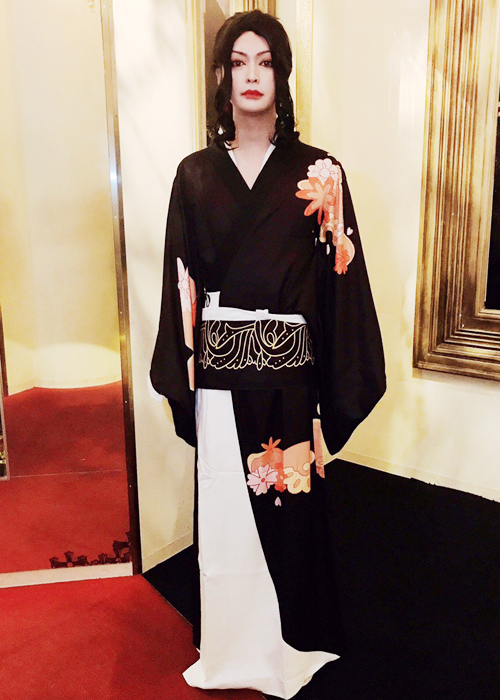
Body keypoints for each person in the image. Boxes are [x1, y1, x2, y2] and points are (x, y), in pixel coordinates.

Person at [150, 10, 385, 699]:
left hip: (289, 381)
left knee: (289, 511)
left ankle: (291, 646)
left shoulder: (320, 173)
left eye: (265, 62)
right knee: (228, 508)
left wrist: (333, 392)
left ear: (282, 76)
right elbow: (181, 284)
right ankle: (228, 646)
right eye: (238, 62)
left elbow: (340, 282)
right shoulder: (194, 175)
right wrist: (184, 377)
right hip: (221, 381)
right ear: (222, 79)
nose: (251, 75)